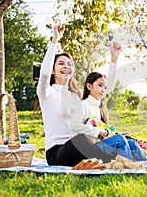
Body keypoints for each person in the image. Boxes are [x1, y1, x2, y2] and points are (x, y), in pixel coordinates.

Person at [37, 24, 121, 166]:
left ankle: (115, 157)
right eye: (61, 64)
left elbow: (105, 89)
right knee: (84, 138)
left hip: (81, 149)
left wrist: (114, 59)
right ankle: (111, 160)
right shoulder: (46, 93)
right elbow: (43, 74)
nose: (66, 66)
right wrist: (55, 40)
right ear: (53, 70)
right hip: (57, 153)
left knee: (115, 138)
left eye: (69, 64)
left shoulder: (78, 95)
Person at [69, 72, 147, 161]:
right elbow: (74, 125)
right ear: (89, 86)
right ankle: (127, 168)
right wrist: (97, 132)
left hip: (102, 142)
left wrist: (119, 135)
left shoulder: (100, 109)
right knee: (120, 139)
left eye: (105, 87)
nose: (103, 90)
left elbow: (105, 131)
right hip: (90, 147)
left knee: (132, 143)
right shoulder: (83, 105)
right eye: (100, 85)